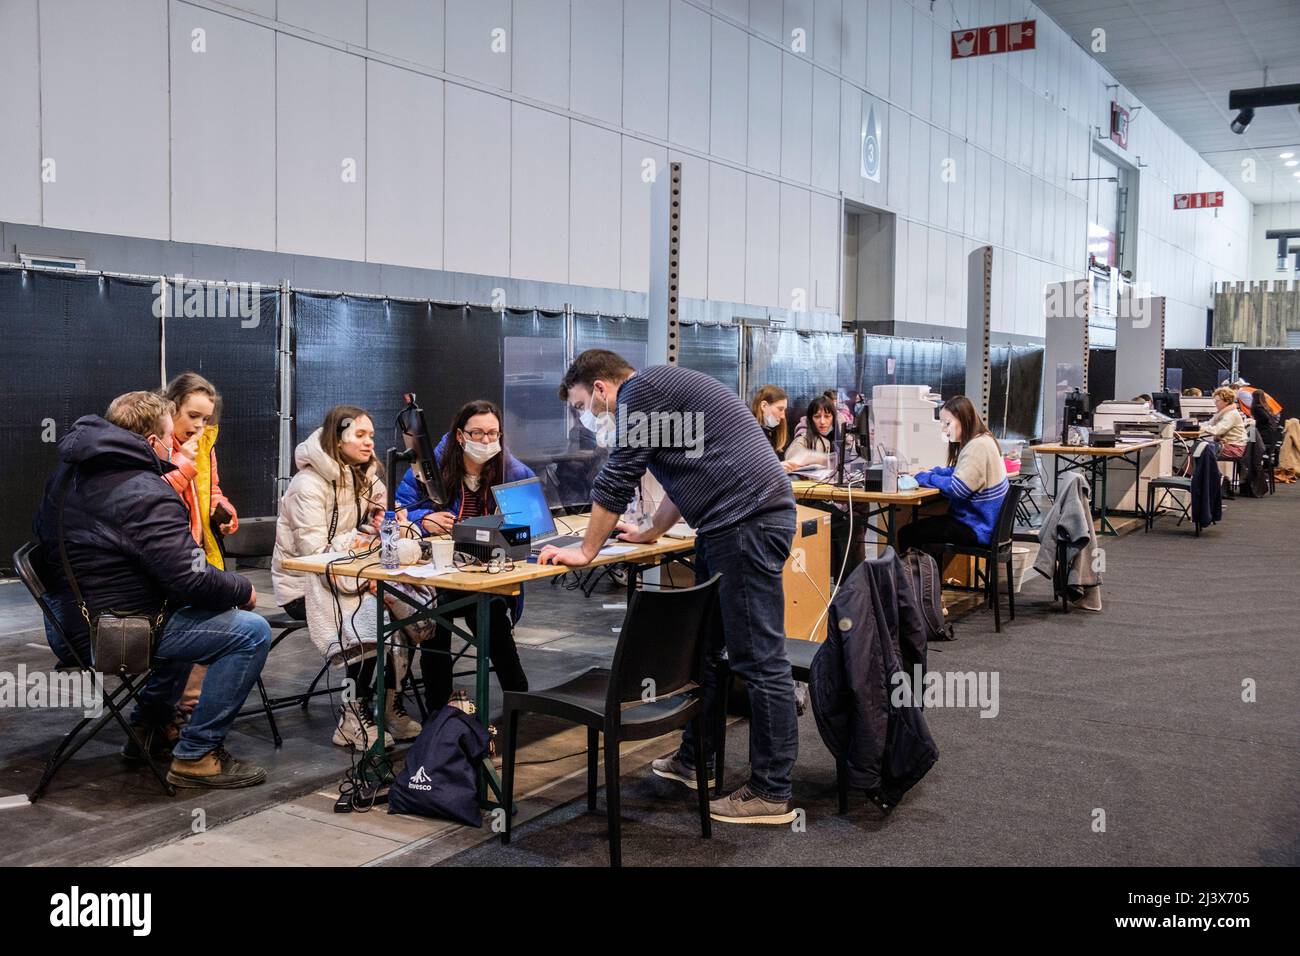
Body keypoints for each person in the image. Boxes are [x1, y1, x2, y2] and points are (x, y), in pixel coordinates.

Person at [540, 349, 799, 825]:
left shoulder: (640, 391)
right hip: (732, 524)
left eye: (584, 405)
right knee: (708, 652)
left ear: (601, 387)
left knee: (759, 659)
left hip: (746, 524)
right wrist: (651, 533)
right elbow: (686, 476)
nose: (588, 416)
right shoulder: (662, 392)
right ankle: (695, 761)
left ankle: (771, 791)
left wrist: (586, 551)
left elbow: (620, 475)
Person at [33, 391, 270, 789]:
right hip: (111, 632)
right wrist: (242, 588)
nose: (172, 442)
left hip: (68, 620)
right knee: (249, 631)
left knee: (190, 613)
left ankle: (149, 727)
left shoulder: (69, 473)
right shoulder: (142, 490)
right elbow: (191, 577)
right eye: (168, 433)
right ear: (151, 440)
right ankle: (197, 755)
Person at [272, 405, 420, 749]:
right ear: (337, 441)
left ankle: (386, 706)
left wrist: (389, 519)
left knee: (408, 606)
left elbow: (388, 521)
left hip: (353, 575)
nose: (369, 443)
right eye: (360, 435)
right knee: (371, 615)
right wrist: (365, 537)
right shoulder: (307, 484)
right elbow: (314, 554)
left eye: (371, 435)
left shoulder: (365, 474)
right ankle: (353, 716)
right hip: (303, 586)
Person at [395, 400, 532, 715]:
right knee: (436, 615)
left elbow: (529, 515)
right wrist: (422, 521)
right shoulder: (432, 465)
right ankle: (438, 712)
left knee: (493, 612)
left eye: (493, 433)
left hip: (485, 572)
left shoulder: (507, 466)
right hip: (439, 572)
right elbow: (400, 511)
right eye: (478, 433)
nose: (487, 441)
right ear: (460, 435)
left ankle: (520, 701)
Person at [162, 372, 240, 726]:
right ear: (171, 407)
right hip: (166, 557)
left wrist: (221, 508)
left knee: (224, 613)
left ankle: (181, 712)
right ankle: (177, 714)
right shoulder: (156, 446)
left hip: (196, 549)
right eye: (192, 415)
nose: (198, 425)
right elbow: (154, 497)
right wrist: (184, 463)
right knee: (223, 625)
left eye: (205, 418)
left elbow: (211, 489)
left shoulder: (204, 444)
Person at [897, 396, 1009, 559]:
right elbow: (959, 471)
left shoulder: (977, 447)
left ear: (964, 419)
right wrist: (933, 472)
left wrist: (924, 477)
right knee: (925, 528)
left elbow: (957, 488)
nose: (944, 429)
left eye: (947, 423)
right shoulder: (985, 440)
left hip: (977, 528)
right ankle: (928, 580)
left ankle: (917, 583)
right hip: (985, 524)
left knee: (907, 534)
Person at [750, 384, 798, 471]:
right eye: (780, 409)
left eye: (784, 410)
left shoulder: (777, 432)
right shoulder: (748, 433)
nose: (783, 416)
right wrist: (774, 468)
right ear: (764, 406)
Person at [783, 394, 837, 465]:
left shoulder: (834, 435)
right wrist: (823, 459)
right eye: (817, 417)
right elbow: (792, 453)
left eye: (827, 416)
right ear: (810, 419)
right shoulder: (804, 436)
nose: (822, 422)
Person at [1199, 386, 1247, 461]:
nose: (1215, 403)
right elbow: (1209, 423)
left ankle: (1194, 472)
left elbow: (1217, 430)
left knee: (1202, 449)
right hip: (1228, 445)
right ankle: (1190, 472)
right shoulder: (1222, 412)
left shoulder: (1231, 414)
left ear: (1226, 401)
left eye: (1217, 400)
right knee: (1199, 448)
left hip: (1236, 448)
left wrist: (1200, 428)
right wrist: (1195, 425)